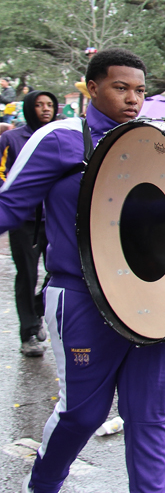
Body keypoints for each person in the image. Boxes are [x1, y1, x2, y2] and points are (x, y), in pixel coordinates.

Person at [5, 49, 165, 492]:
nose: (133, 99)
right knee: (83, 413)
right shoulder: (59, 138)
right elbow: (9, 206)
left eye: (140, 90)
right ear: (92, 88)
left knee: (149, 414)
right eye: (121, 88)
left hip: (154, 301)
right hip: (82, 297)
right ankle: (42, 486)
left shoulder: (157, 140)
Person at [0, 89, 57, 357]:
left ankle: (37, 308)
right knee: (27, 275)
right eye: (39, 104)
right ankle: (29, 334)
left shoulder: (59, 136)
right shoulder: (11, 138)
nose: (46, 109)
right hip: (24, 222)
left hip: (54, 218)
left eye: (50, 104)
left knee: (58, 270)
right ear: (28, 107)